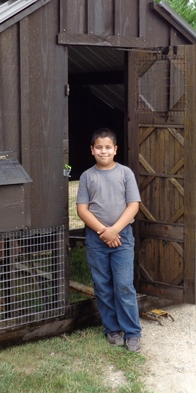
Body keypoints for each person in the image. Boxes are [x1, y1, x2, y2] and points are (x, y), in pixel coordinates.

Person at [76, 127, 142, 352]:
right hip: (97, 238)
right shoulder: (87, 176)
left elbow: (133, 205)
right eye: (99, 148)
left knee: (123, 285)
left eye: (107, 148)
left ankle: (132, 332)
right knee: (103, 285)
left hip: (122, 236)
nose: (103, 152)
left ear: (115, 150)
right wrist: (104, 231)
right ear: (92, 150)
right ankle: (111, 328)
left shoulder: (125, 174)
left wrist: (115, 230)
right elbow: (82, 210)